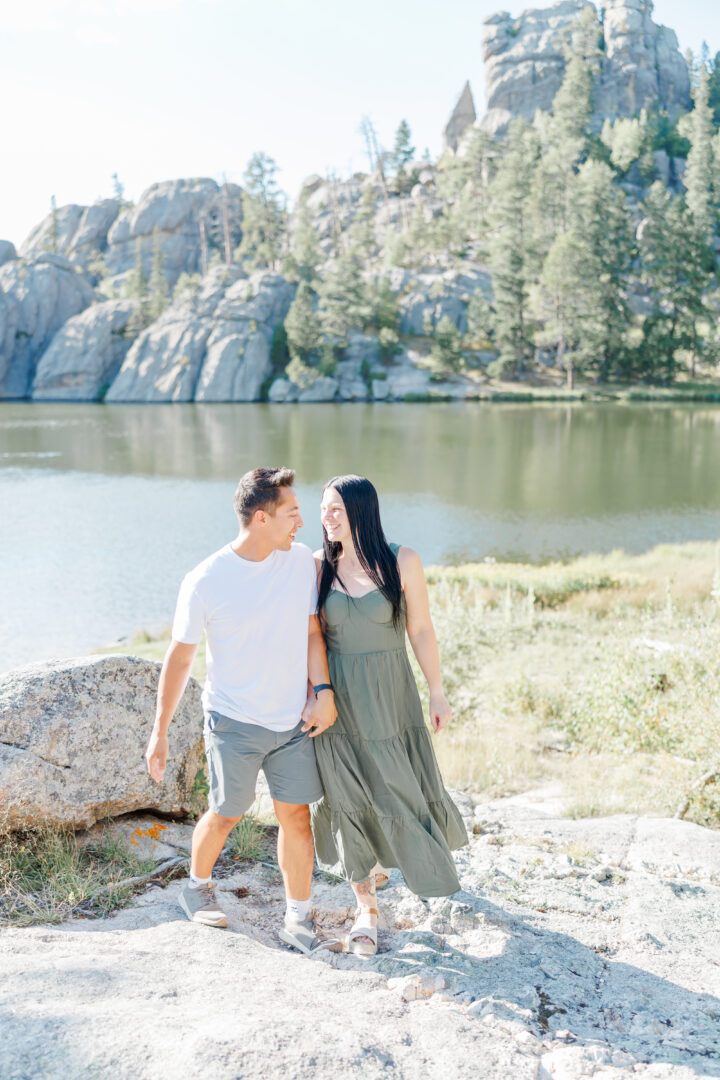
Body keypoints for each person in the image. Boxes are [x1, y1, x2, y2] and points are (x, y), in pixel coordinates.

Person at [145, 466, 339, 956]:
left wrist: (323, 689)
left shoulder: (299, 563)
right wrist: (160, 730)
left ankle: (298, 916)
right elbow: (180, 657)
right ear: (260, 518)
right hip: (233, 720)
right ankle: (197, 885)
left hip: (293, 720)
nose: (301, 523)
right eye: (292, 514)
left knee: (295, 817)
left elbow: (313, 633)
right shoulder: (206, 579)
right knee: (228, 811)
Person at [311, 474, 468, 957]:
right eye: (322, 507)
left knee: (397, 785)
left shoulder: (401, 560)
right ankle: (366, 907)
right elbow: (309, 637)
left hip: (390, 695)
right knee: (346, 793)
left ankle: (406, 866)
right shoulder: (318, 566)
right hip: (338, 702)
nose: (326, 516)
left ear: (362, 510)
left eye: (336, 508)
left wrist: (437, 691)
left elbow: (420, 629)